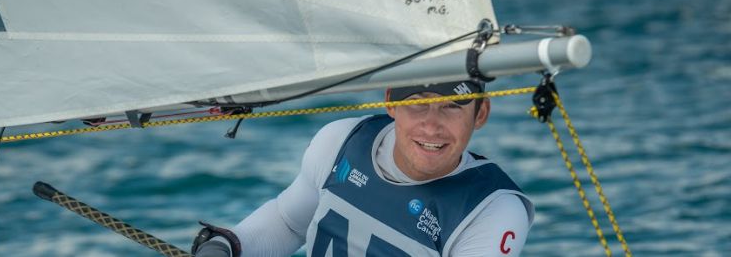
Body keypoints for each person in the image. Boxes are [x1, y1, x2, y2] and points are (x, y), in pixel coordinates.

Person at [193, 80, 534, 257]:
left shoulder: (493, 209)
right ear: (390, 102)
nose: (432, 127)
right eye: (417, 104)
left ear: (481, 114)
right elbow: (287, 222)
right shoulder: (342, 139)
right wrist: (225, 247)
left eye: (451, 108)